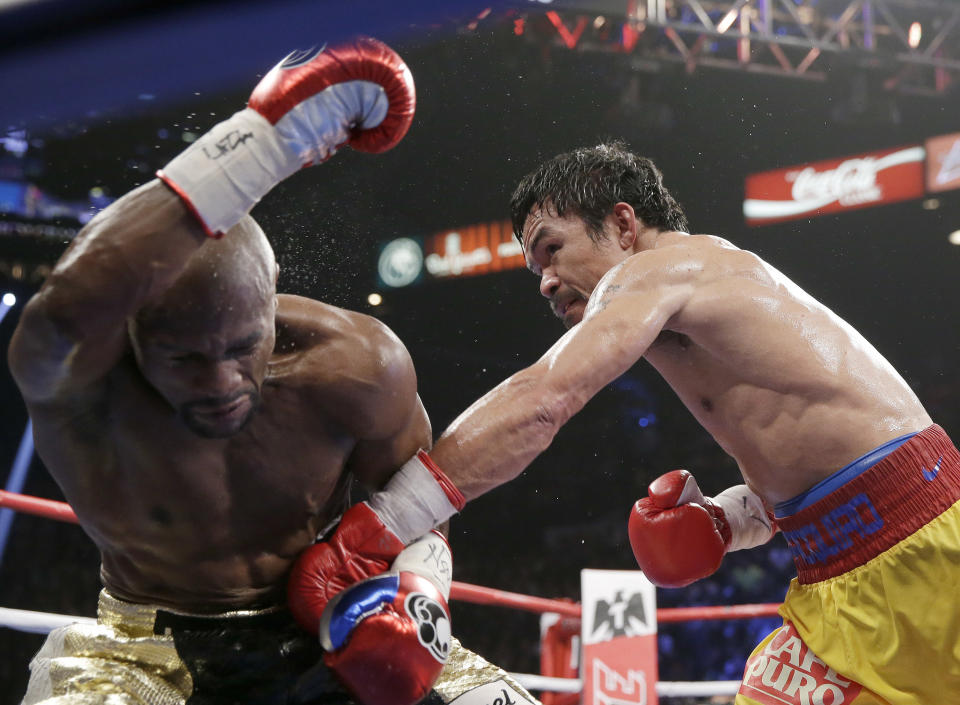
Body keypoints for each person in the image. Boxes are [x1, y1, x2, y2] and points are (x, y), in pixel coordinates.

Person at [323, 142, 960, 704]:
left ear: (623, 223)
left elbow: (544, 397)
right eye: (534, 268)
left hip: (933, 554)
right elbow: (819, 450)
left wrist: (387, 522)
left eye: (553, 249)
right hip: (835, 586)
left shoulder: (659, 270)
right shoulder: (696, 309)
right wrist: (729, 519)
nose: (545, 282)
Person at [8, 37, 538, 705]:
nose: (222, 380)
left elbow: (420, 505)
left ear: (272, 298)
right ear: (132, 333)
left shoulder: (357, 365)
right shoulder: (86, 387)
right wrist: (267, 142)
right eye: (187, 358)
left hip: (324, 629)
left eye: (241, 347)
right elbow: (61, 312)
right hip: (145, 648)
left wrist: (418, 597)